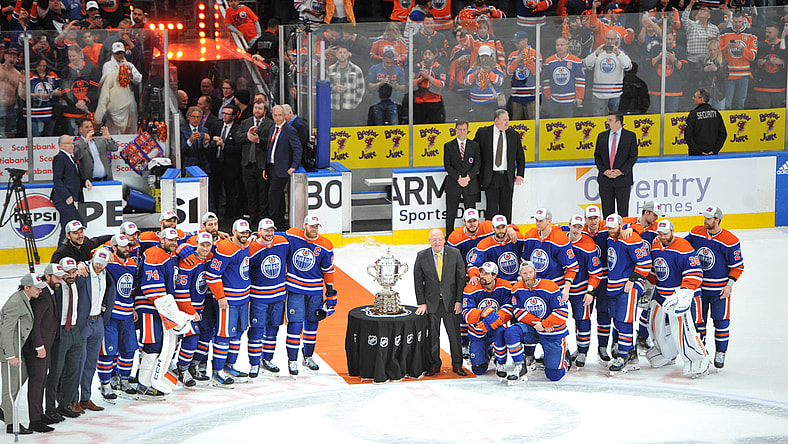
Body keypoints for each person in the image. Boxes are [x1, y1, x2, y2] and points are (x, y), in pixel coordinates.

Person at [644, 219, 709, 378]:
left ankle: (699, 359)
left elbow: (695, 273)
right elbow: (655, 269)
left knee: (685, 332)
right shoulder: (656, 244)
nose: (662, 236)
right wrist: (648, 287)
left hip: (678, 296)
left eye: (665, 233)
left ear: (672, 231)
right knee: (653, 327)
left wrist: (685, 292)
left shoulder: (684, 248)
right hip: (660, 294)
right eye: (660, 233)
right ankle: (665, 353)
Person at [138, 228, 196, 396]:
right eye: (170, 240)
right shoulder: (155, 254)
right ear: (161, 240)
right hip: (150, 307)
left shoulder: (169, 256)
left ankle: (151, 380)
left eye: (175, 240)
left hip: (161, 308)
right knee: (152, 344)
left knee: (160, 345)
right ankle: (144, 384)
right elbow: (151, 289)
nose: (173, 242)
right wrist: (170, 312)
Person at [685, 206, 744, 370]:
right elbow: (683, 247)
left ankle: (720, 352)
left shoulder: (730, 240)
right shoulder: (696, 232)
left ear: (717, 220)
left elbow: (737, 267)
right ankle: (701, 352)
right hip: (699, 289)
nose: (705, 221)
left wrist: (729, 285)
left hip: (720, 290)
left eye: (709, 218)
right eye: (704, 218)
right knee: (699, 321)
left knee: (721, 322)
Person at [283, 215, 336, 376]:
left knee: (312, 325)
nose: (314, 229)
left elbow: (328, 269)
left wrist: (330, 290)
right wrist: (257, 235)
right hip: (295, 288)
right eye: (311, 226)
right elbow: (276, 236)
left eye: (316, 226)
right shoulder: (293, 235)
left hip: (315, 290)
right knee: (295, 325)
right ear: (304, 225)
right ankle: (292, 360)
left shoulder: (325, 245)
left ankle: (308, 356)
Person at [504, 261, 571, 382]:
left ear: (535, 272)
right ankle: (520, 365)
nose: (528, 275)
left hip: (553, 331)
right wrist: (540, 323)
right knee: (511, 332)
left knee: (554, 376)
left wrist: (546, 324)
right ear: (520, 274)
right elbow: (518, 312)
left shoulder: (550, 287)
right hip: (534, 327)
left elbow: (563, 312)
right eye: (525, 273)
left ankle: (564, 358)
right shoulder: (517, 289)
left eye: (530, 272)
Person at [602, 214, 651, 374]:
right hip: (615, 286)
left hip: (628, 287)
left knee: (625, 321)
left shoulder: (632, 239)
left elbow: (645, 263)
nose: (610, 230)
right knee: (618, 320)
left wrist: (632, 279)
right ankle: (628, 350)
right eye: (608, 227)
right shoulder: (611, 238)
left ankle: (624, 355)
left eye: (613, 227)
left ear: (621, 226)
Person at [205, 220, 252, 385]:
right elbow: (211, 275)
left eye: (247, 232)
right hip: (229, 301)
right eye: (241, 232)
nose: (244, 235)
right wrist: (220, 297)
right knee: (224, 336)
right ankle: (217, 371)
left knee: (238, 334)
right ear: (234, 231)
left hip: (243, 300)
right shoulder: (225, 249)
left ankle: (229, 366)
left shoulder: (245, 244)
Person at [414, 228, 466, 376]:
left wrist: (458, 301)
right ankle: (434, 365)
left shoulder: (455, 254)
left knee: (454, 335)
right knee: (433, 335)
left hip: (451, 303)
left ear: (444, 239)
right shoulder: (422, 256)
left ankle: (457, 364)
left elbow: (461, 279)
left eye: (440, 239)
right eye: (434, 240)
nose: (437, 242)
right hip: (432, 303)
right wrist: (422, 302)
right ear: (429, 241)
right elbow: (418, 281)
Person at [1, 273, 45, 435]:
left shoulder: (24, 298)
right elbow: (6, 330)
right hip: (9, 349)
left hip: (17, 347)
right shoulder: (15, 302)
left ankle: (3, 408)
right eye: (37, 288)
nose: (40, 291)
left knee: (23, 375)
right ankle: (11, 423)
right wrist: (10, 355)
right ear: (26, 287)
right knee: (10, 385)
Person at [96, 234, 138, 401]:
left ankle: (124, 380)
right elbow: (93, 261)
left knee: (129, 349)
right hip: (110, 315)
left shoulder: (133, 264)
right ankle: (106, 383)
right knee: (107, 352)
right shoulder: (107, 263)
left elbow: (132, 289)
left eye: (128, 245)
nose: (127, 248)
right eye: (123, 246)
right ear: (114, 248)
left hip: (128, 314)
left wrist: (133, 307)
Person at [74, 247, 115, 412]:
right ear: (92, 260)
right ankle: (72, 400)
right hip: (82, 324)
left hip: (97, 322)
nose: (99, 267)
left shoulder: (107, 275)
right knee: (78, 363)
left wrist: (103, 319)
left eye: (103, 264)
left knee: (91, 363)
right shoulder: (82, 274)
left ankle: (85, 398)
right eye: (97, 263)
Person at [247, 218, 289, 377]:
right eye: (266, 230)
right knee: (256, 330)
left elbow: (293, 235)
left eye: (272, 230)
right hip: (258, 297)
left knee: (273, 330)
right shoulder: (252, 248)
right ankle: (254, 363)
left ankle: (267, 359)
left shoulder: (282, 242)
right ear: (259, 231)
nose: (269, 233)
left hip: (278, 296)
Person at [25, 264, 64, 433]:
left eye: (61, 277)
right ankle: (35, 420)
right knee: (37, 382)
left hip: (46, 345)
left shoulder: (49, 292)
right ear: (47, 277)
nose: (60, 281)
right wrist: (39, 345)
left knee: (41, 381)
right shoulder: (42, 295)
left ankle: (40, 415)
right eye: (56, 277)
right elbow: (35, 323)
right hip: (38, 347)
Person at [174, 232, 213, 389]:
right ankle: (183, 369)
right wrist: (190, 311)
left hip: (202, 307)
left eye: (208, 245)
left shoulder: (209, 257)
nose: (205, 248)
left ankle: (193, 365)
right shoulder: (188, 261)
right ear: (196, 244)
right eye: (202, 244)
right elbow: (181, 292)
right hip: (185, 309)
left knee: (207, 335)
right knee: (191, 338)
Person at [44, 258, 82, 420]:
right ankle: (50, 408)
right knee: (56, 372)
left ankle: (64, 404)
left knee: (73, 371)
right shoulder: (56, 288)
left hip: (75, 331)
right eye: (67, 273)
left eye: (73, 272)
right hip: (60, 332)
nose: (71, 275)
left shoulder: (77, 284)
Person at [473, 109, 525, 222]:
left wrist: (520, 174)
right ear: (496, 120)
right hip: (490, 177)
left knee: (506, 209)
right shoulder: (483, 133)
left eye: (508, 120)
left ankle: (506, 235)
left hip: (507, 178)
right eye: (504, 120)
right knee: (491, 210)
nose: (507, 122)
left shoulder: (513, 135)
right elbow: (474, 151)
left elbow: (520, 157)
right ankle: (490, 235)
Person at [565, 214, 603, 367]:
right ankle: (560, 349)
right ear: (569, 225)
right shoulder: (560, 238)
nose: (576, 230)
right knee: (558, 320)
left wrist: (590, 291)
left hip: (581, 291)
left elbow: (596, 272)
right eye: (574, 226)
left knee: (583, 321)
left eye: (580, 227)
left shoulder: (588, 245)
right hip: (561, 289)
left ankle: (582, 351)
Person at [520, 208, 579, 303]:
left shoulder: (560, 239)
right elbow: (525, 263)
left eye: (540, 221)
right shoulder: (530, 235)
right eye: (536, 220)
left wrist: (566, 290)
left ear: (549, 221)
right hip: (536, 287)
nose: (537, 223)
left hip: (555, 287)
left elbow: (572, 267)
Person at [462, 261, 511, 376]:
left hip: (496, 327)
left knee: (500, 332)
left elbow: (509, 309)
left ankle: (501, 362)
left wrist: (491, 320)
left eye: (486, 274)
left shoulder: (505, 286)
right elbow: (466, 314)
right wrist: (483, 312)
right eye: (481, 273)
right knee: (478, 369)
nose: (482, 276)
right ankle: (487, 352)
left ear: (494, 276)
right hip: (478, 330)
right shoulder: (471, 288)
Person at [264, 105, 302, 230]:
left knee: (273, 195)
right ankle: (279, 222)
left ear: (284, 115)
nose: (278, 117)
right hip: (272, 167)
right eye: (275, 115)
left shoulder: (289, 130)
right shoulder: (272, 129)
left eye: (280, 115)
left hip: (282, 168)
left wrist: (293, 166)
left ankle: (273, 222)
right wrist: (266, 166)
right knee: (278, 196)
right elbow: (269, 149)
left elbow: (297, 149)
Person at [593, 112, 638, 218]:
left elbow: (633, 157)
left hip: (623, 180)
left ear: (618, 122)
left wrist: (621, 171)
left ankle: (623, 233)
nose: (607, 122)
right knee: (607, 212)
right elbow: (597, 156)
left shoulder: (630, 136)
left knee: (623, 212)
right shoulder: (602, 136)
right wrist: (604, 170)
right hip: (605, 180)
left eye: (610, 120)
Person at [237, 99, 274, 227]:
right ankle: (253, 216)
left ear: (264, 111)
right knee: (250, 192)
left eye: (260, 108)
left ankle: (263, 217)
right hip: (247, 164)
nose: (257, 110)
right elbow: (237, 138)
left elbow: (271, 142)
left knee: (263, 192)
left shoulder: (270, 124)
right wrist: (247, 136)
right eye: (255, 108)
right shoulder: (245, 122)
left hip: (261, 165)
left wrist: (259, 140)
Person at [96, 41, 142, 134]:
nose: (119, 56)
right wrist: (122, 73)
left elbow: (139, 78)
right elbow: (107, 79)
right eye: (117, 53)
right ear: (113, 53)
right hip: (113, 98)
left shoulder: (129, 65)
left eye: (121, 53)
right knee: (113, 123)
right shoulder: (107, 65)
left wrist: (130, 74)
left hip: (128, 96)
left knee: (131, 119)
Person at [443, 120, 480, 235]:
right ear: (456, 130)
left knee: (471, 213)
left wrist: (468, 177)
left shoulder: (474, 145)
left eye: (464, 129)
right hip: (454, 183)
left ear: (467, 130)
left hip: (470, 184)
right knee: (451, 213)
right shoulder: (448, 146)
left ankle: (471, 236)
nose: (462, 132)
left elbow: (477, 164)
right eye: (460, 129)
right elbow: (447, 165)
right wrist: (458, 178)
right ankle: (449, 238)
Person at [584, 29, 632, 116]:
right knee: (599, 121)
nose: (609, 41)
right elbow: (587, 64)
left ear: (616, 39)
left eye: (612, 39)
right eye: (608, 39)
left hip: (615, 94)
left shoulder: (621, 53)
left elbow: (627, 67)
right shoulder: (598, 51)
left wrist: (618, 54)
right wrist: (596, 54)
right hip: (598, 94)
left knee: (614, 121)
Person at [51, 136, 89, 245]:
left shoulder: (70, 158)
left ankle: (73, 251)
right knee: (68, 228)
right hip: (63, 199)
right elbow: (57, 180)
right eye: (69, 143)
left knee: (78, 224)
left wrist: (84, 181)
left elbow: (73, 178)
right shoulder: (60, 158)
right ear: (61, 145)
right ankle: (59, 256)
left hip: (70, 199)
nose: (72, 146)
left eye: (73, 143)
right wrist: (67, 195)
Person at [718, 12, 758, 110]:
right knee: (727, 103)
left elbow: (752, 56)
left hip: (744, 75)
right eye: (735, 22)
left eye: (739, 21)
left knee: (740, 103)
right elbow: (717, 54)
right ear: (732, 21)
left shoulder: (751, 34)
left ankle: (738, 124)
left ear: (744, 20)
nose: (737, 24)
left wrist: (742, 49)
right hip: (729, 74)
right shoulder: (724, 33)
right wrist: (726, 48)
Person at [211, 104, 243, 218]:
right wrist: (213, 142)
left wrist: (223, 145)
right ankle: (215, 212)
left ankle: (230, 215)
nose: (224, 116)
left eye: (228, 114)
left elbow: (239, 149)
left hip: (230, 165)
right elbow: (209, 141)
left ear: (233, 116)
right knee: (215, 189)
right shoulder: (217, 125)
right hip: (216, 163)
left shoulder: (237, 129)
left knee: (230, 190)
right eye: (223, 113)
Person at [543, 36, 585, 118]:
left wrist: (579, 97)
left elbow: (580, 80)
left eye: (562, 45)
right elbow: (546, 80)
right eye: (557, 45)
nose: (559, 47)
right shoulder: (549, 61)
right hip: (554, 100)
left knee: (567, 125)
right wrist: (548, 95)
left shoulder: (576, 61)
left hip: (569, 100)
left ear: (567, 46)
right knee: (554, 124)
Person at [61, 45, 99, 136]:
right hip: (72, 111)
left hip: (87, 109)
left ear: (79, 54)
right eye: (70, 56)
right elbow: (65, 91)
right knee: (73, 136)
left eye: (73, 56)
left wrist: (84, 100)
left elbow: (94, 88)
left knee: (89, 136)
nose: (72, 58)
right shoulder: (66, 70)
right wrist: (76, 103)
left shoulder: (90, 68)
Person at [326, 45, 366, 126]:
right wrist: (334, 88)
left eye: (344, 52)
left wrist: (355, 103)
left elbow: (361, 88)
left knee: (349, 131)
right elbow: (326, 87)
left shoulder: (356, 69)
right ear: (336, 54)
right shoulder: (330, 69)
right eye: (340, 52)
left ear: (348, 54)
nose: (342, 54)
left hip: (350, 106)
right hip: (334, 106)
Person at [753, 23, 787, 110]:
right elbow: (752, 62)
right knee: (763, 116)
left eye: (770, 32)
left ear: (776, 33)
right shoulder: (760, 45)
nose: (767, 34)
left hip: (779, 87)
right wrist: (759, 62)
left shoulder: (784, 45)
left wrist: (782, 62)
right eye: (766, 32)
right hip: (762, 87)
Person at [685, 88, 727, 156]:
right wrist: (714, 150)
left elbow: (688, 136)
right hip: (712, 155)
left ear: (701, 99)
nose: (693, 98)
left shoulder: (693, 114)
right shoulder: (716, 113)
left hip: (696, 156)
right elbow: (723, 134)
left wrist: (699, 152)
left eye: (695, 97)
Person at [507, 31, 538, 121]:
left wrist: (528, 60)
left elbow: (536, 72)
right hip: (517, 95)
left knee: (532, 121)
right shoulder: (513, 55)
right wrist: (517, 60)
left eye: (518, 42)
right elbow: (509, 71)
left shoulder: (535, 53)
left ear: (526, 40)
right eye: (515, 42)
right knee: (516, 121)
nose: (516, 44)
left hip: (531, 94)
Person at [412, 47, 447, 124]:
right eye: (425, 54)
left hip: (434, 101)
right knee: (420, 126)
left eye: (429, 54)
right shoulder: (417, 67)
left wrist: (428, 77)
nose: (427, 56)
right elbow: (411, 83)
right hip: (419, 102)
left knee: (435, 126)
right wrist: (421, 79)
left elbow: (442, 84)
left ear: (434, 56)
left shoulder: (439, 68)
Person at [181, 106, 212, 174]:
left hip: (202, 167)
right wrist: (190, 141)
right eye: (193, 117)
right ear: (188, 117)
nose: (196, 119)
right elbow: (181, 150)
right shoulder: (182, 130)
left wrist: (206, 144)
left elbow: (209, 152)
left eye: (198, 117)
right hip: (188, 166)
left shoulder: (204, 130)